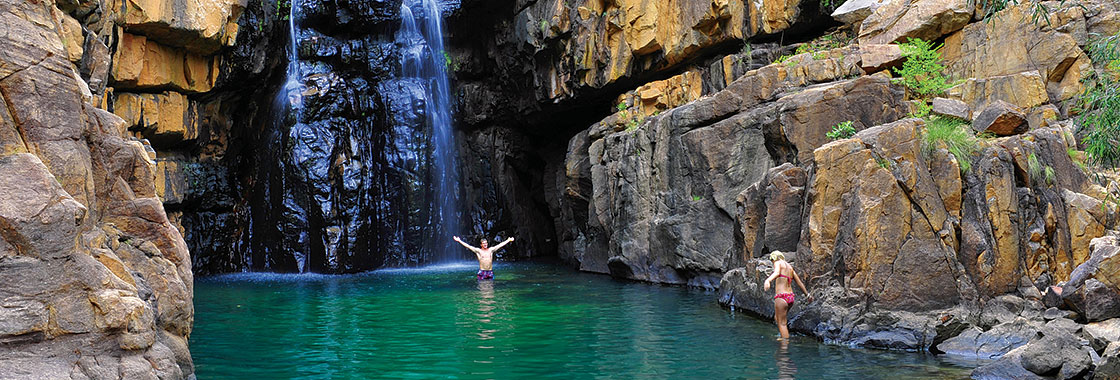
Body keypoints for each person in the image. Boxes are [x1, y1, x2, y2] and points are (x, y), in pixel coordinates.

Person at [763, 251, 811, 340]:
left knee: (782, 323)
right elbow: (799, 283)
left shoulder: (778, 262)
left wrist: (768, 280)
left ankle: (784, 345)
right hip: (790, 297)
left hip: (781, 297)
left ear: (774, 258)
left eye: (772, 261)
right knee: (778, 318)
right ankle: (782, 335)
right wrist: (807, 295)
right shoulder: (790, 267)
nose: (773, 263)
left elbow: (777, 272)